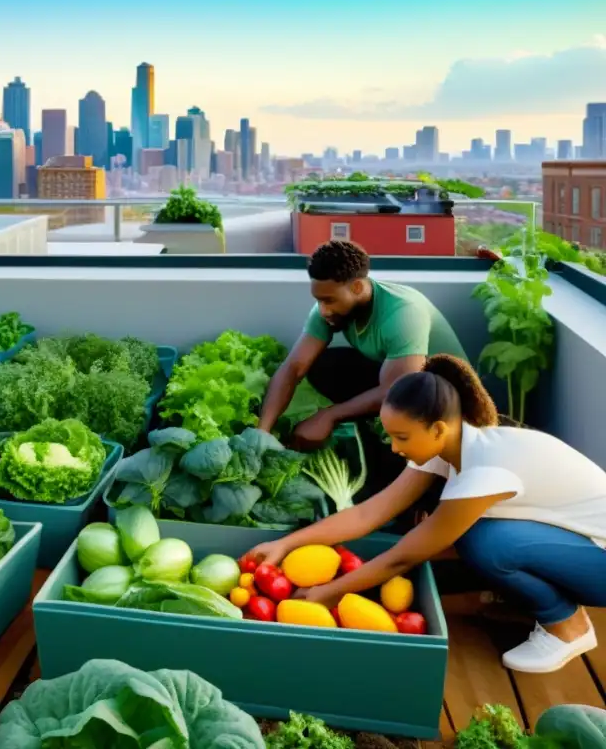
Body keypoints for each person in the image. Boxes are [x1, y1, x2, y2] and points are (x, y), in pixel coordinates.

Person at [244, 354, 606, 674]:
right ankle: (542, 606)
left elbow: (403, 557)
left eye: (401, 437)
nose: (394, 448)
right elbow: (369, 513)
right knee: (475, 534)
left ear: (437, 428)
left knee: (486, 542)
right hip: (578, 540)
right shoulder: (453, 443)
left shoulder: (485, 471)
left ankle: (568, 627)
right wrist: (285, 544)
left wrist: (331, 592)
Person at [258, 240, 469, 452]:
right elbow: (294, 367)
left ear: (357, 287)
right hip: (401, 381)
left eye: (329, 300)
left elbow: (397, 391)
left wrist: (330, 415)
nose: (323, 311)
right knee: (326, 365)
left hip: (441, 397)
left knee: (390, 455)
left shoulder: (404, 313)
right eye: (318, 300)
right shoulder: (328, 309)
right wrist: (263, 431)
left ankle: (379, 443)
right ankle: (366, 423)